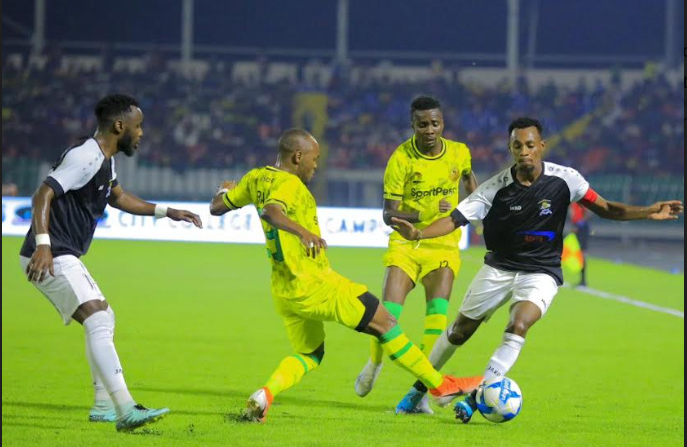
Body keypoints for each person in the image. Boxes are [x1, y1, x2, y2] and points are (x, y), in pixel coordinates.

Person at [390, 117, 683, 421]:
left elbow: (606, 208)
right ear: (510, 149)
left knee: (518, 324)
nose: (524, 151)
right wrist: (419, 233)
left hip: (541, 271)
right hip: (499, 268)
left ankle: (479, 395)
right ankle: (417, 393)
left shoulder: (566, 179)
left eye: (530, 145)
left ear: (541, 146)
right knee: (459, 332)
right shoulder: (495, 188)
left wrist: (648, 211)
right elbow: (454, 219)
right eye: (517, 146)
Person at [209, 128, 482, 423]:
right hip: (315, 284)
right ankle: (439, 386)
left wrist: (224, 191)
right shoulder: (289, 184)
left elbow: (217, 207)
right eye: (314, 159)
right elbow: (271, 213)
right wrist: (303, 233)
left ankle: (265, 395)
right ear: (298, 157)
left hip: (284, 290)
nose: (316, 165)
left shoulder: (255, 178)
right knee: (386, 323)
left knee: (311, 354)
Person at [20, 94, 203, 432]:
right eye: (138, 126)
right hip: (50, 253)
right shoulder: (86, 156)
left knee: (104, 318)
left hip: (60, 251)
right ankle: (125, 408)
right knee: (99, 318)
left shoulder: (104, 160)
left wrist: (168, 211)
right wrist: (43, 246)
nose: (141, 133)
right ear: (120, 126)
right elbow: (42, 194)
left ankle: (104, 405)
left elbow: (118, 197)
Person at [353, 96, 478, 415]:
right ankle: (375, 362)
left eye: (435, 123)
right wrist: (424, 213)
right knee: (388, 313)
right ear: (413, 126)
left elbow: (470, 182)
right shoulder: (401, 159)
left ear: (443, 123)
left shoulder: (459, 153)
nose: (429, 130)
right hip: (406, 244)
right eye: (423, 124)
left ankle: (420, 393)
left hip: (444, 244)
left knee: (436, 318)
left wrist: (474, 206)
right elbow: (388, 214)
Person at [567, 201, 591, 286]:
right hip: (576, 227)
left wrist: (579, 225)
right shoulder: (572, 201)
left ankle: (583, 280)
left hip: (582, 228)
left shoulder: (580, 199)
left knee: (582, 252)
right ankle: (581, 279)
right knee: (575, 251)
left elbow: (588, 212)